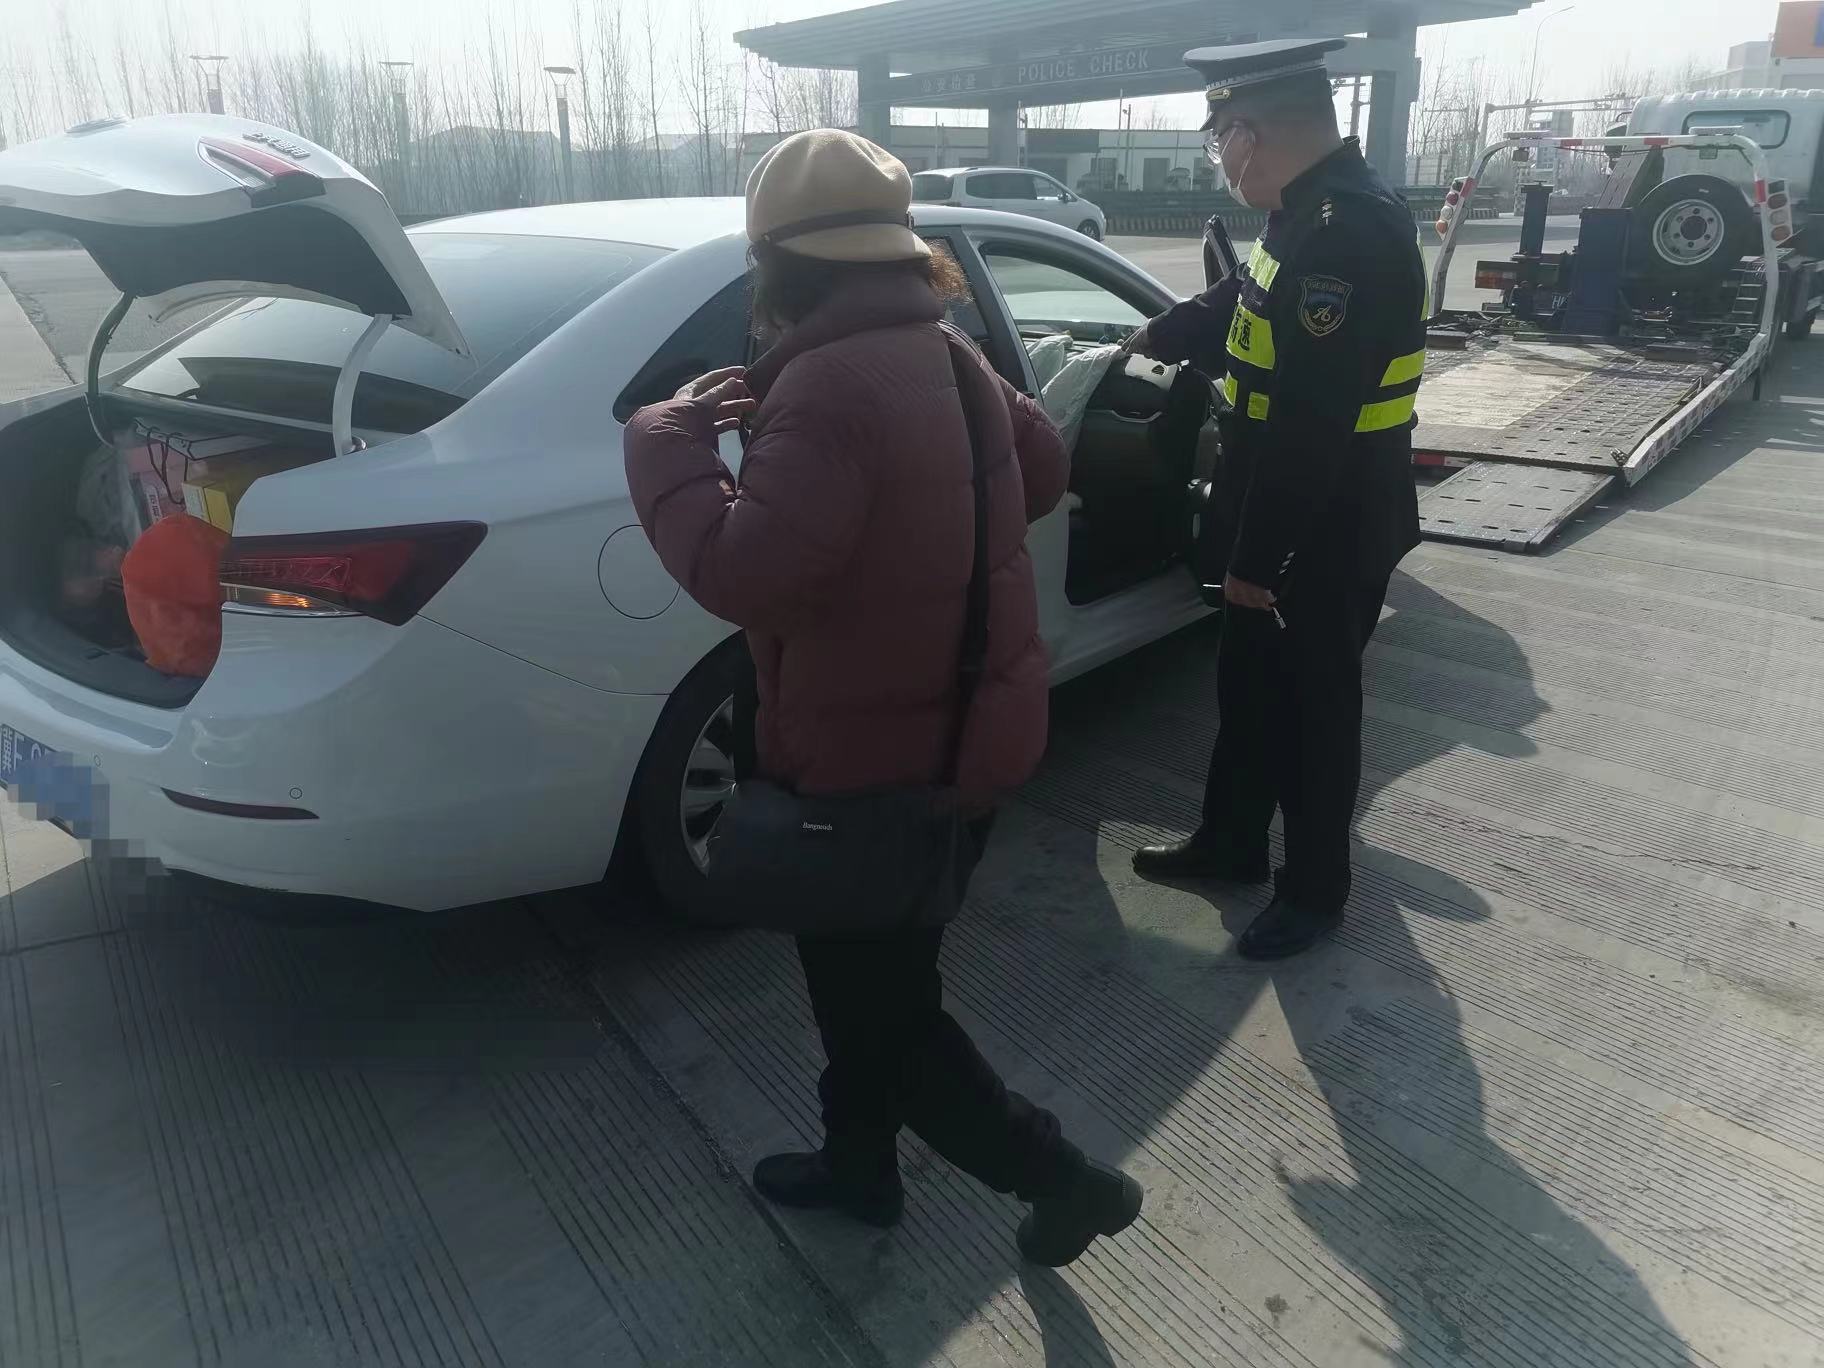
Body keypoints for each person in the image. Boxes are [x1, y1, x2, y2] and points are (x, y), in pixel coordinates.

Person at [623, 129, 1143, 1266]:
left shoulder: (825, 386)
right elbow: (1044, 472)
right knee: (875, 984)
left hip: (871, 766)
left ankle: (1068, 1183)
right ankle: (859, 1166)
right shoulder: (946, 353)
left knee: (889, 1020)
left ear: (777, 264)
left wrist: (664, 440)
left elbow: (744, 576)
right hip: (963, 739)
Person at [1125, 39, 1426, 961]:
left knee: (1312, 711)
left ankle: (1313, 891)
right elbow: (1249, 298)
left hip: (1324, 520)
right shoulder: (1301, 213)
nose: (1218, 156)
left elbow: (1312, 423)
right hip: (1285, 501)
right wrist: (1166, 330)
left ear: (1248, 134)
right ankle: (1231, 842)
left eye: (1218, 137)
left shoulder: (1346, 233)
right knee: (1250, 690)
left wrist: (1260, 559)